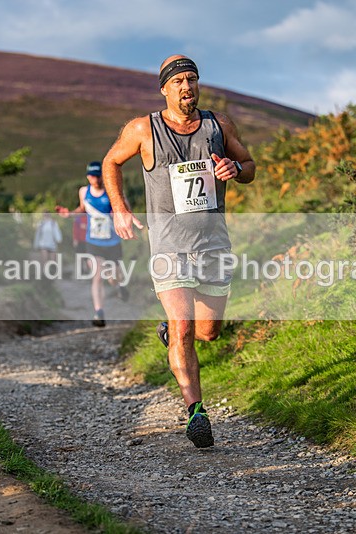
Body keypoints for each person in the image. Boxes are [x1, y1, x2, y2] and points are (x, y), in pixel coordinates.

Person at [102, 55, 255, 448]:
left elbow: (250, 164)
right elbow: (111, 162)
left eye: (192, 79)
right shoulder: (143, 128)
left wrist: (235, 171)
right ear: (164, 89)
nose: (187, 87)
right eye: (178, 82)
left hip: (213, 243)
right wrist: (119, 208)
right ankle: (195, 413)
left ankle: (171, 333)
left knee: (208, 331)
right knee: (185, 328)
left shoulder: (218, 125)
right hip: (169, 245)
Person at [56, 161, 127, 327]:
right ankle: (98, 312)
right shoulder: (83, 192)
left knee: (113, 275)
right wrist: (69, 214)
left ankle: (119, 287)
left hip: (112, 241)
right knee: (97, 276)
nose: (95, 179)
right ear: (88, 176)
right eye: (92, 176)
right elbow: (82, 209)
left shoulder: (111, 191)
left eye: (97, 175)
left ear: (103, 176)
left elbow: (125, 209)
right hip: (93, 241)